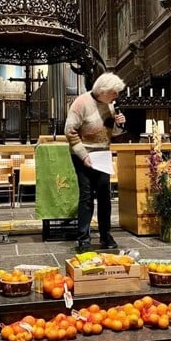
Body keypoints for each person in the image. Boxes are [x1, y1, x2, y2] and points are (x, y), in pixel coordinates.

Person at [64, 72, 127, 252]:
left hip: (102, 155)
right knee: (86, 196)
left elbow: (111, 132)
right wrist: (83, 155)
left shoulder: (110, 105)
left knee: (105, 196)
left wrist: (119, 125)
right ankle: (84, 238)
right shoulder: (81, 103)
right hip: (82, 155)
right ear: (103, 91)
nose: (117, 96)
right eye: (114, 93)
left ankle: (106, 235)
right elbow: (69, 131)